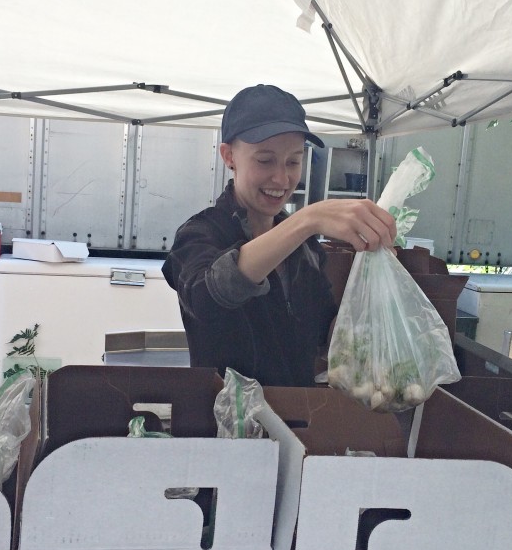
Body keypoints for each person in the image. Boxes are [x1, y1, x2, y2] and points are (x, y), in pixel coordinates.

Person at [162, 84, 396, 387]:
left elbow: (328, 336)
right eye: (265, 160)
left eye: (293, 161)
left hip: (296, 423)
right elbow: (209, 295)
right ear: (229, 155)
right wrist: (307, 219)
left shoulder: (306, 249)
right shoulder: (199, 234)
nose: (282, 178)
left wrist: (374, 286)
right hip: (224, 427)